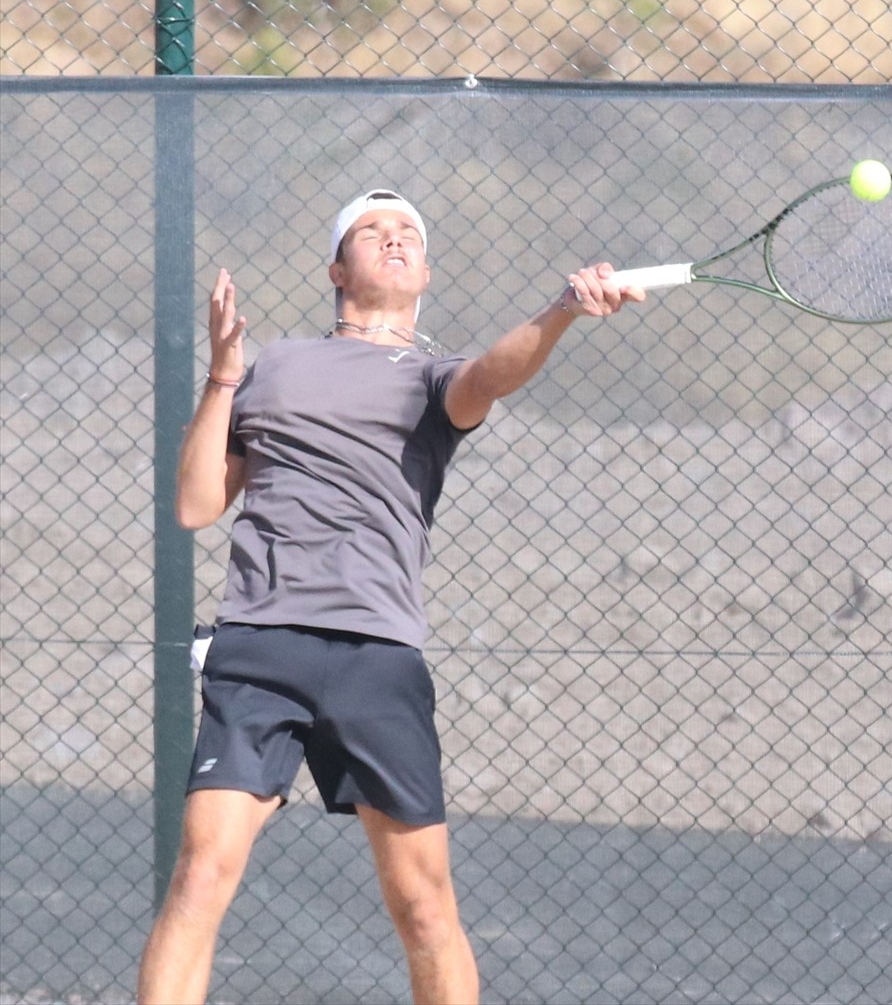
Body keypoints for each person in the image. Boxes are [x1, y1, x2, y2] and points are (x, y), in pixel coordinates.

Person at [137, 189, 644, 1005]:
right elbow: (196, 505)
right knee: (200, 874)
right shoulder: (277, 365)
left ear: (427, 272)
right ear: (339, 268)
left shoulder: (436, 378)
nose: (394, 237)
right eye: (371, 230)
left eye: (408, 230)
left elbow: (493, 374)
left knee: (421, 903)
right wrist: (223, 377)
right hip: (260, 646)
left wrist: (562, 311)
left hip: (377, 657)